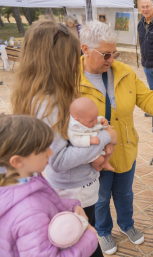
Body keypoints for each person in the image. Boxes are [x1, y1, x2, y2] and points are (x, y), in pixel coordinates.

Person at [80, 20, 153, 255]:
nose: (112, 60)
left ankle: (127, 225)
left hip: (125, 148)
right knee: (100, 199)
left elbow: (148, 99)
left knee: (125, 194)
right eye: (106, 55)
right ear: (85, 49)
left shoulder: (124, 72)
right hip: (94, 156)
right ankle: (103, 231)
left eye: (115, 53)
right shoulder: (71, 80)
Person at [11, 20, 118, 257]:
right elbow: (58, 158)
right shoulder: (48, 103)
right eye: (73, 55)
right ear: (58, 61)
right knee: (86, 240)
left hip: (67, 186)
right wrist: (104, 137)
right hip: (73, 188)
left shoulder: (35, 95)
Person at [0, 114, 98, 257]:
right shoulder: (30, 215)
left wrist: (71, 205)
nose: (50, 152)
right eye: (43, 149)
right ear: (17, 161)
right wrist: (89, 237)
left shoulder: (25, 177)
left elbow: (44, 201)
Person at [68, 97, 116, 172]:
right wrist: (89, 140)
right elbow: (75, 140)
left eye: (95, 118)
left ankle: (106, 163)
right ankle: (95, 165)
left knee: (110, 150)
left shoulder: (89, 118)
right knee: (100, 159)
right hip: (88, 148)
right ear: (77, 120)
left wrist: (101, 120)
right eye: (91, 121)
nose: (94, 122)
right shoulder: (74, 128)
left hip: (97, 139)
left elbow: (95, 119)